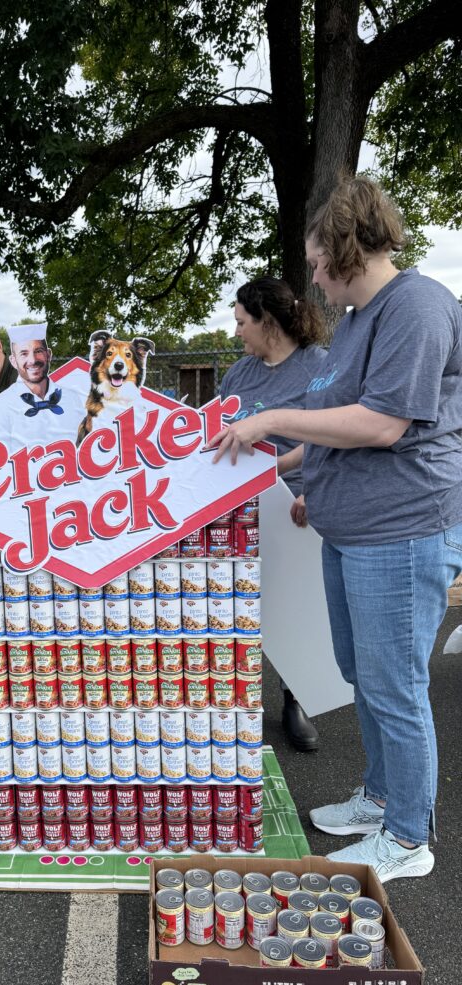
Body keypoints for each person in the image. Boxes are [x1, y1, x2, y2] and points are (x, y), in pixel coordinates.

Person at [210, 176, 462, 882]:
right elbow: (329, 433)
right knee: (362, 672)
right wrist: (271, 461)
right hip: (353, 528)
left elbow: (382, 423)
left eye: (320, 262)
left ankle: (408, 837)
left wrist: (271, 419)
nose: (313, 278)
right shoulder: (357, 321)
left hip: (402, 527)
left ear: (351, 251)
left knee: (395, 683)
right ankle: (380, 798)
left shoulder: (415, 306)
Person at [220, 276, 328, 752]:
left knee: (292, 603)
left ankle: (295, 698)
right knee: (240, 603)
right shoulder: (238, 374)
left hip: (298, 504)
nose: (237, 332)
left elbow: (331, 434)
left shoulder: (319, 366)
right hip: (243, 507)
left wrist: (287, 473)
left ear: (267, 321)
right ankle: (235, 700)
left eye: (243, 322)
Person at [0, 323, 86, 444]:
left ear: (48, 355)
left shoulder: (72, 399)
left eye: (38, 351)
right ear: (13, 361)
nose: (32, 360)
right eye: (24, 354)